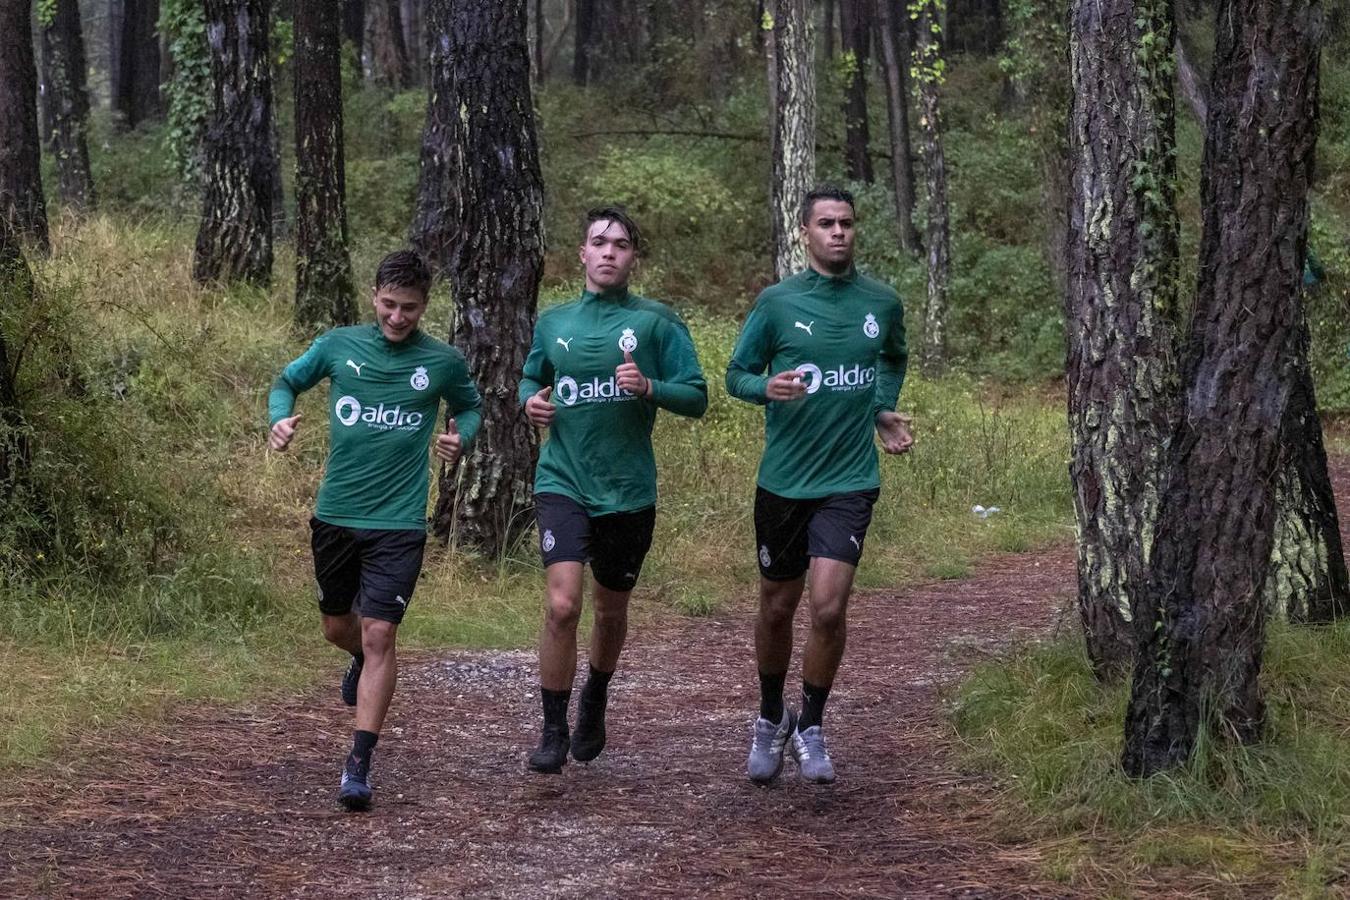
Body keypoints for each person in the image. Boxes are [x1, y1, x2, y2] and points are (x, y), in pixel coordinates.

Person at [267, 250, 481, 810]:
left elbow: (471, 408)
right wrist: (278, 420)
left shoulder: (443, 361)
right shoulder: (339, 346)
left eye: (409, 308)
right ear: (374, 297)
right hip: (336, 515)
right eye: (389, 304)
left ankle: (358, 764)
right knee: (339, 628)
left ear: (424, 306)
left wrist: (463, 439)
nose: (397, 317)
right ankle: (358, 659)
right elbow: (286, 382)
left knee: (380, 634)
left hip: (399, 523)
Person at [726, 186, 913, 785]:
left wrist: (882, 408)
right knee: (777, 607)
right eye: (826, 223)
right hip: (784, 481)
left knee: (828, 608)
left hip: (850, 478)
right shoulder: (778, 303)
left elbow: (892, 357)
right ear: (804, 231)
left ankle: (810, 723)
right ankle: (768, 714)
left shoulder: (880, 302)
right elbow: (735, 375)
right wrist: (765, 389)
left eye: (847, 223)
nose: (838, 232)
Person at [519, 206, 708, 773]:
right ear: (581, 253)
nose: (608, 252)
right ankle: (552, 727)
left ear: (633, 257)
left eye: (620, 244)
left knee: (610, 610)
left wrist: (650, 386)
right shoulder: (554, 322)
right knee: (561, 604)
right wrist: (531, 399)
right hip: (563, 479)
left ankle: (595, 696)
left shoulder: (656, 323)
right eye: (598, 242)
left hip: (627, 490)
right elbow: (534, 375)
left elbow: (696, 396)